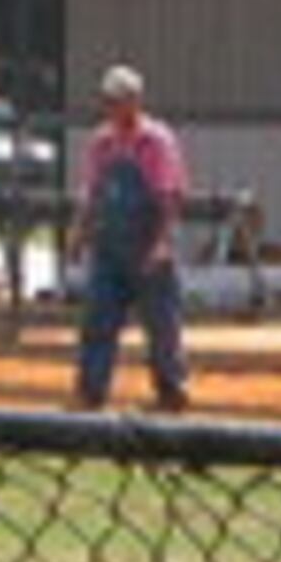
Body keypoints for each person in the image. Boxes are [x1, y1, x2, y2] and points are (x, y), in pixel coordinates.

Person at [70, 63, 193, 413]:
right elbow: (91, 192)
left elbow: (168, 198)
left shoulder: (156, 142)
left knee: (161, 324)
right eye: (107, 101)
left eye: (118, 101)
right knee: (97, 318)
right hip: (109, 246)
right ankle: (90, 392)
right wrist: (79, 233)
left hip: (148, 242)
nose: (111, 108)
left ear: (135, 101)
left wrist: (162, 244)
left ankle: (171, 390)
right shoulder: (101, 143)